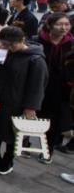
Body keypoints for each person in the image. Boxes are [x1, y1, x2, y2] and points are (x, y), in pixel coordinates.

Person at [0, 27, 47, 175]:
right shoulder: (3, 52)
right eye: (5, 44)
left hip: (17, 103)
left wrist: (31, 107)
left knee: (12, 133)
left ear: (22, 41)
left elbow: (37, 86)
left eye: (12, 45)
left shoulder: (35, 59)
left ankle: (8, 160)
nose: (9, 48)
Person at [37, 13, 73, 161]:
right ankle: (24, 143)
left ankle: (47, 150)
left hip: (61, 89)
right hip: (39, 85)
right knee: (33, 116)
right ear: (50, 25)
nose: (64, 27)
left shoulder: (70, 44)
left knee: (54, 121)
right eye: (60, 24)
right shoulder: (38, 41)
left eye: (66, 24)